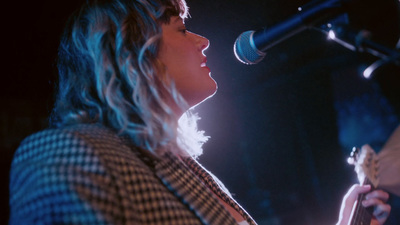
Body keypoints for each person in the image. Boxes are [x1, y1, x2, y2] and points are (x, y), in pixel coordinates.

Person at [8, 0, 391, 224]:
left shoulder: (193, 172)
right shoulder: (64, 152)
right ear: (129, 52)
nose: (204, 41)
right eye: (180, 29)